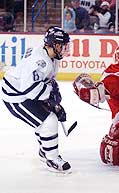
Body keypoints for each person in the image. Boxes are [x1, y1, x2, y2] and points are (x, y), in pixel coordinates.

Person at [0, 26, 71, 173]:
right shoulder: (40, 61)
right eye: (63, 45)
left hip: (25, 91)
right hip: (15, 96)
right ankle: (51, 158)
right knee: (48, 121)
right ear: (54, 44)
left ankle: (45, 150)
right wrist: (51, 99)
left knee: (46, 120)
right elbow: (30, 89)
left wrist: (54, 101)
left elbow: (46, 81)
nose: (65, 49)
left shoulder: (51, 56)